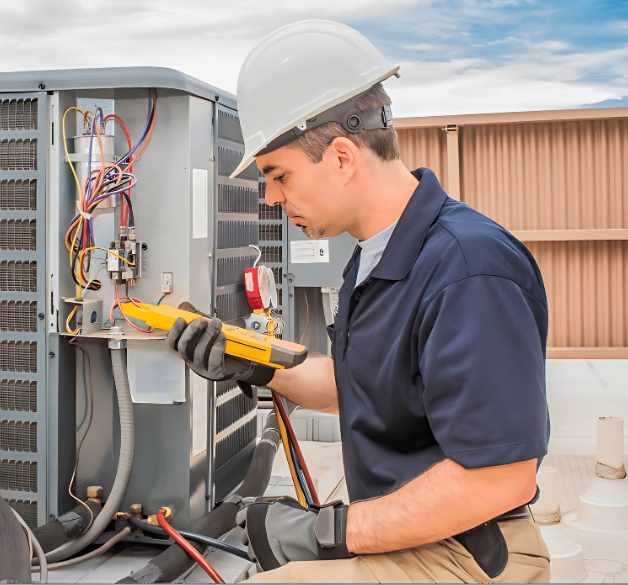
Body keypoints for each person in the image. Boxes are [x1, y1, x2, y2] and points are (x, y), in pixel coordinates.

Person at [166, 20, 552, 583]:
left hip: (471, 552)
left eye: (278, 175)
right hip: (417, 535)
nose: (271, 199)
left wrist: (331, 531)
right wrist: (249, 359)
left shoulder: (469, 270)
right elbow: (359, 389)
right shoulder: (376, 258)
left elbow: (499, 476)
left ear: (342, 157)